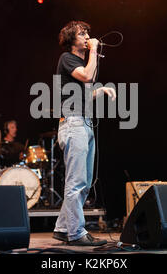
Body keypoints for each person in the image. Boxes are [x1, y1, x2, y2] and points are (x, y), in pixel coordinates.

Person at [52, 21, 116, 246]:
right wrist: (94, 50)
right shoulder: (67, 58)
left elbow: (85, 92)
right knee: (76, 181)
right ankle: (76, 233)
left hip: (85, 123)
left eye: (88, 32)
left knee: (85, 181)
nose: (88, 35)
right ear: (72, 40)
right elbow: (88, 76)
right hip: (73, 124)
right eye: (82, 33)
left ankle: (62, 228)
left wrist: (101, 91)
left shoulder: (81, 61)